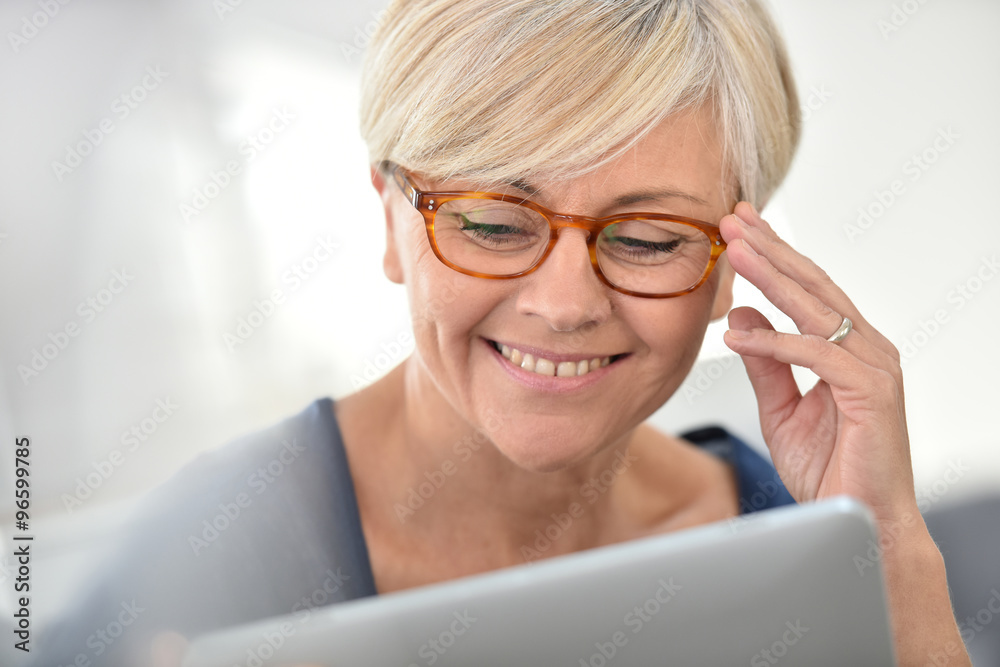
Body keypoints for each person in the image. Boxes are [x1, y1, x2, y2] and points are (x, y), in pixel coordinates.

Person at [34, 1, 970, 666]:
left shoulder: (787, 532)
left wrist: (887, 549)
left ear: (735, 262)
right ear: (391, 223)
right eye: (491, 222)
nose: (565, 304)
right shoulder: (205, 557)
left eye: (647, 238)